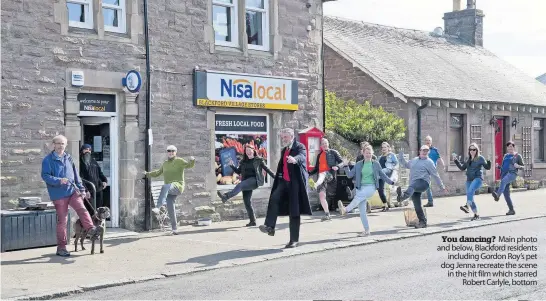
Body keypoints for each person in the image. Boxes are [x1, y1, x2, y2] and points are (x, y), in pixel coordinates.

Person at [41, 135, 102, 257]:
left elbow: (76, 175)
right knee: (63, 221)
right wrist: (58, 180)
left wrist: (82, 189)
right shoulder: (48, 160)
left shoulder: (68, 157)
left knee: (82, 208)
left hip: (72, 191)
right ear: (53, 145)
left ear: (66, 145)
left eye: (62, 144)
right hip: (59, 194)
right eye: (58, 143)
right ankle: (61, 248)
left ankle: (91, 229)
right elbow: (45, 176)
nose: (60, 146)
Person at [258, 128, 312, 249]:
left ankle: (294, 240)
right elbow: (282, 166)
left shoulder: (299, 146)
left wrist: (295, 159)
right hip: (284, 182)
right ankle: (270, 227)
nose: (283, 139)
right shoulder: (284, 150)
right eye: (282, 137)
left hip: (295, 184)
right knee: (274, 198)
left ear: (292, 136)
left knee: (294, 212)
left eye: (285, 137)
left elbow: (302, 156)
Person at [338, 145, 394, 237]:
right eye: (366, 153)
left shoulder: (375, 164)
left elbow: (383, 175)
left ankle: (346, 209)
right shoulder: (359, 164)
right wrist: (345, 165)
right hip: (361, 188)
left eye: (370, 153)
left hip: (371, 187)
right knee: (362, 212)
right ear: (363, 153)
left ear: (372, 154)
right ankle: (367, 230)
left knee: (357, 197)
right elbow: (349, 175)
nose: (368, 155)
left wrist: (391, 182)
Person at [217, 144, 275, 226]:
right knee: (247, 202)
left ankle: (226, 196)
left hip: (255, 180)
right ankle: (253, 221)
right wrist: (232, 165)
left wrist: (275, 177)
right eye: (246, 150)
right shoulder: (243, 161)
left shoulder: (259, 160)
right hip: (246, 182)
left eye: (249, 150)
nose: (248, 152)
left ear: (253, 150)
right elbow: (238, 171)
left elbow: (267, 169)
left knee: (240, 185)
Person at [144, 145, 195, 234]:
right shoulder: (165, 163)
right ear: (167, 152)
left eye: (173, 151)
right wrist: (147, 174)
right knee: (171, 207)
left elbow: (189, 165)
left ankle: (158, 207)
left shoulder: (179, 161)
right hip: (169, 189)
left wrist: (192, 160)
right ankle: (174, 229)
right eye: (169, 151)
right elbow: (157, 173)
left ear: (176, 152)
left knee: (165, 186)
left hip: (178, 186)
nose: (171, 152)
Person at [396, 145, 448, 228]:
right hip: (413, 186)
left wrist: (442, 187)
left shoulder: (429, 162)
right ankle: (423, 222)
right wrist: (401, 155)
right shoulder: (414, 160)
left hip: (423, 183)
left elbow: (435, 175)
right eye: (423, 150)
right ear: (420, 151)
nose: (425, 152)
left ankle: (402, 197)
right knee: (417, 205)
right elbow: (405, 165)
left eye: (427, 151)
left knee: (413, 185)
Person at [453, 143, 491, 221]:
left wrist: (489, 160)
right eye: (471, 149)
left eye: (474, 149)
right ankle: (476, 215)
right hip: (469, 179)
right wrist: (455, 160)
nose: (472, 151)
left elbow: (487, 167)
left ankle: (467, 206)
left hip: (478, 179)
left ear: (476, 150)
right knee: (470, 197)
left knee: (470, 191)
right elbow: (462, 168)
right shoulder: (468, 159)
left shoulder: (480, 158)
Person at [309, 138, 344, 221]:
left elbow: (342, 162)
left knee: (323, 174)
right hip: (321, 177)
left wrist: (337, 166)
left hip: (330, 175)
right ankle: (327, 214)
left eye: (326, 143)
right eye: (323, 144)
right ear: (321, 146)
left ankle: (316, 184)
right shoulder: (319, 155)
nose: (324, 145)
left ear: (328, 144)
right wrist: (308, 173)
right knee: (321, 196)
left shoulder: (333, 152)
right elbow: (316, 168)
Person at [492, 141, 524, 215]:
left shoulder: (517, 156)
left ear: (514, 147)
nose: (510, 148)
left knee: (503, 181)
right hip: (504, 174)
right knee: (506, 195)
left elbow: (523, 166)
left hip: (512, 174)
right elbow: (504, 167)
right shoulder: (506, 156)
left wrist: (518, 166)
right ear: (507, 148)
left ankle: (497, 195)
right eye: (508, 147)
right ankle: (511, 210)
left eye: (511, 146)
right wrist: (498, 167)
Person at [79, 144, 108, 212]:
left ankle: (97, 222)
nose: (88, 151)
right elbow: (80, 178)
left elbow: (100, 173)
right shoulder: (79, 162)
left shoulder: (93, 161)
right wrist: (85, 190)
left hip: (98, 189)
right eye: (86, 149)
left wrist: (104, 181)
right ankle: (90, 223)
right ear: (82, 151)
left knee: (98, 210)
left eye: (89, 150)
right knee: (90, 210)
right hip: (89, 191)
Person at [423, 135, 445, 207]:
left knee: (429, 183)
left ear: (431, 142)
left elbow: (439, 158)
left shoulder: (434, 150)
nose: (427, 141)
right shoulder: (423, 149)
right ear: (425, 141)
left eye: (429, 140)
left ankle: (430, 201)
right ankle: (430, 201)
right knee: (427, 184)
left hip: (432, 169)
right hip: (425, 169)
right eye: (426, 140)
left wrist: (443, 164)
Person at [377, 142, 399, 211]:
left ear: (388, 148)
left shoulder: (391, 155)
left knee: (382, 171)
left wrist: (395, 169)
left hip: (388, 171)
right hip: (381, 175)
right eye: (382, 147)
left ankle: (392, 183)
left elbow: (397, 163)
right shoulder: (379, 157)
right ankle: (385, 206)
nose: (383, 149)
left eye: (385, 147)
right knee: (380, 190)